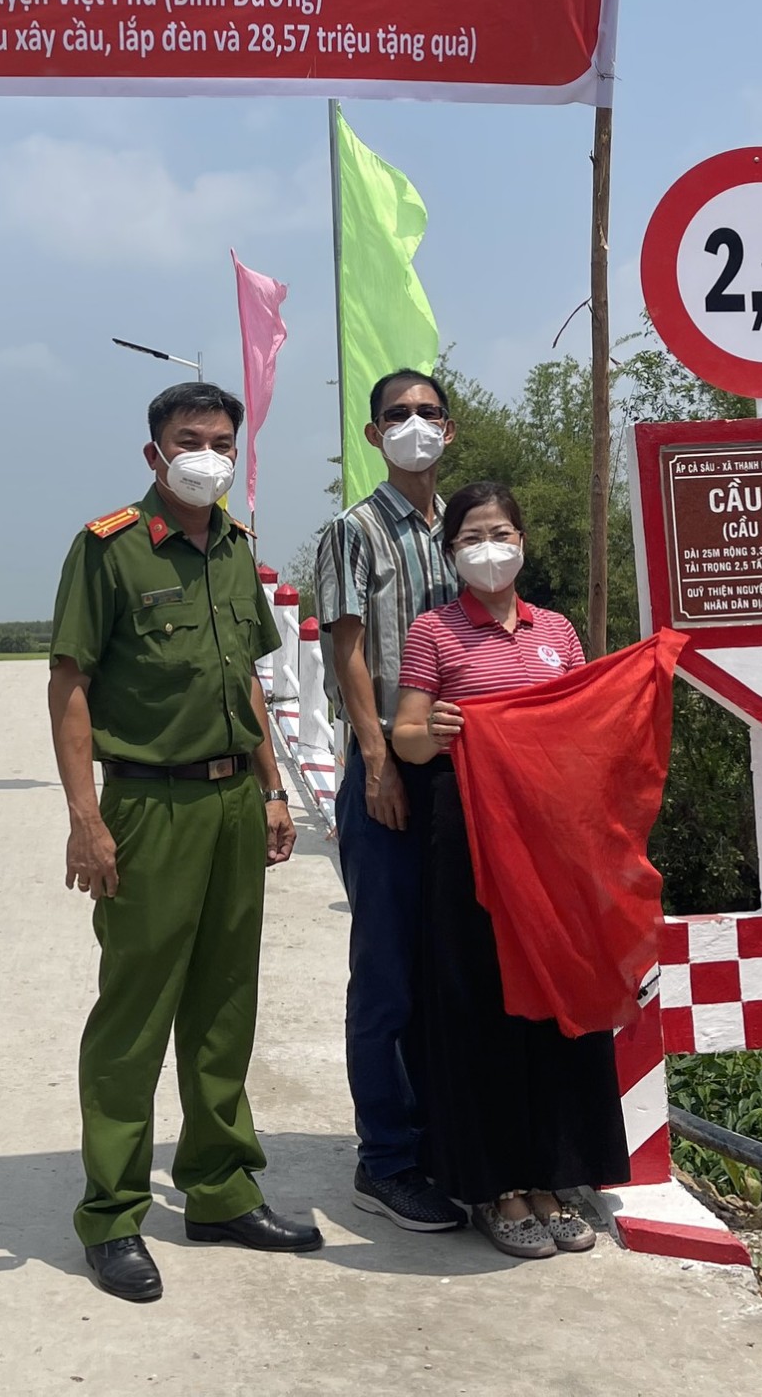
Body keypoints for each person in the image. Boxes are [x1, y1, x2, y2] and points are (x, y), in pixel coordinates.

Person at [48, 381, 323, 1303]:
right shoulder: (109, 550)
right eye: (188, 439)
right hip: (148, 806)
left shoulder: (237, 549)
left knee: (223, 1005)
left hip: (233, 803)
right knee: (134, 1015)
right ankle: (113, 1214)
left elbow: (245, 678)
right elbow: (70, 685)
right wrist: (86, 819)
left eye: (220, 441)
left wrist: (272, 789)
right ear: (154, 454)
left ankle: (219, 1189)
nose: (207, 455)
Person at [389, 481, 628, 1259]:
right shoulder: (434, 631)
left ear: (523, 541)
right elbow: (405, 736)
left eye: (500, 533)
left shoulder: (557, 630)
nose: (488, 549)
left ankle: (557, 1174)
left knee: (555, 1002)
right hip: (470, 840)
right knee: (481, 1003)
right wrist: (436, 731)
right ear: (450, 553)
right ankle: (498, 1187)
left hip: (554, 843)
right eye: (471, 537)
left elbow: (589, 722)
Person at [311, 368, 467, 1236]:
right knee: (386, 973)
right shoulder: (356, 531)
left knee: (450, 963)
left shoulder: (466, 528)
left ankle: (448, 1140)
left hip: (462, 774)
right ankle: (387, 1159)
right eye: (398, 414)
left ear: (450, 429)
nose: (415, 425)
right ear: (374, 434)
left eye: (428, 412)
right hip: (389, 772)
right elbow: (347, 651)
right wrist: (375, 762)